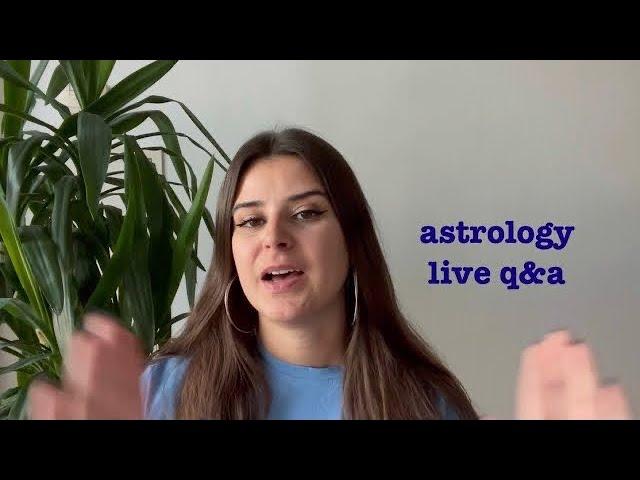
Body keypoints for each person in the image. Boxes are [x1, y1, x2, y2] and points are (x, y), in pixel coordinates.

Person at [28, 128, 632, 420]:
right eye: (250, 221)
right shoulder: (163, 393)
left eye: (307, 213)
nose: (274, 238)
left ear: (352, 238)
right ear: (231, 254)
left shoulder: (424, 404)